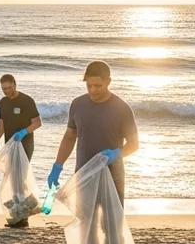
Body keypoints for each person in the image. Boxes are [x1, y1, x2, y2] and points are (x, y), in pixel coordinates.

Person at [46, 61, 139, 214]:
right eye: (89, 86)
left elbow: (134, 144)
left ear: (108, 82)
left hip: (112, 175)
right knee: (85, 223)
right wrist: (57, 166)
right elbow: (70, 137)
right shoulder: (77, 104)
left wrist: (116, 153)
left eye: (98, 86)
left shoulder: (122, 108)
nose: (93, 90)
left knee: (112, 226)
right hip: (84, 173)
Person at [0, 73, 41, 161]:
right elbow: (1, 125)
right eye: (4, 88)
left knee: (21, 174)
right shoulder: (3, 102)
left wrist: (23, 132)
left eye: (9, 88)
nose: (6, 91)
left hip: (25, 144)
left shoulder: (27, 100)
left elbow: (37, 122)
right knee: (10, 173)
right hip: (9, 144)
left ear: (14, 85)